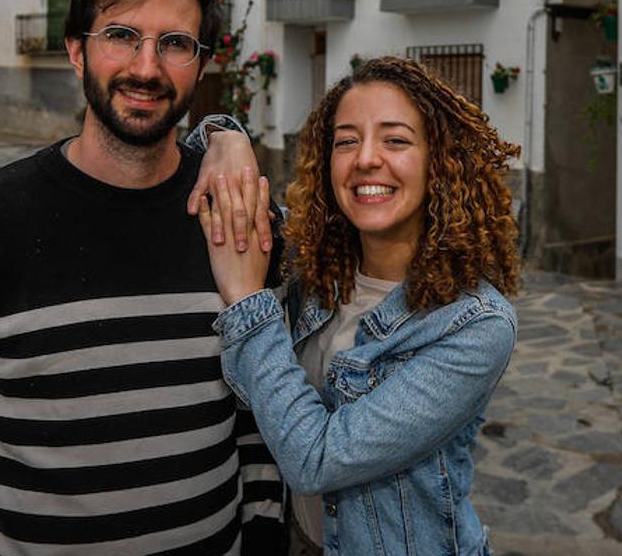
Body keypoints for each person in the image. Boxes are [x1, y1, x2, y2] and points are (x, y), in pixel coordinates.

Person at [0, 0, 285, 556]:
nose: (147, 67)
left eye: (174, 43)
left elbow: (258, 427)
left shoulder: (236, 216)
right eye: (121, 35)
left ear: (200, 64)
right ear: (75, 49)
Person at [194, 56, 521, 555]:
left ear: (440, 160)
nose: (366, 158)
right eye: (346, 140)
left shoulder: (475, 325)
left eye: (395, 139)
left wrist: (247, 302)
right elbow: (208, 182)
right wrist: (226, 135)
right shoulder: (314, 262)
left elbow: (316, 459)